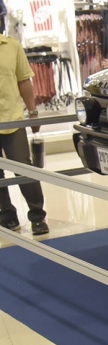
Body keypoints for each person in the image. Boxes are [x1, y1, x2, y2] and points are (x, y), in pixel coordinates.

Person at [0, 30, 47, 236]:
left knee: (23, 167)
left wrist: (33, 111)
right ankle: (7, 215)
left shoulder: (11, 46)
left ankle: (37, 216)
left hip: (12, 118)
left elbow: (24, 80)